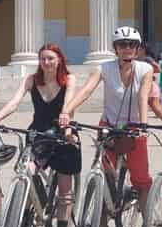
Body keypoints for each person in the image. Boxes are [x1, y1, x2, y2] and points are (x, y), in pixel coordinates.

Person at [0, 44, 81, 227]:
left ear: (59, 61)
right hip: (38, 133)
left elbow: (68, 106)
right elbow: (14, 103)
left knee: (65, 186)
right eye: (43, 59)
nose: (46, 62)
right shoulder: (31, 80)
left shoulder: (69, 80)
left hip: (62, 132)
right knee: (28, 171)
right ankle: (24, 216)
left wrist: (66, 125)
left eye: (51, 58)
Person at [62, 26, 154, 211]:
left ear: (137, 48)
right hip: (109, 125)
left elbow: (143, 96)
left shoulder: (146, 69)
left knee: (140, 177)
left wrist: (143, 126)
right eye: (122, 44)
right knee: (104, 172)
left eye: (131, 44)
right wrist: (67, 110)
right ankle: (101, 222)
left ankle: (147, 224)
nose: (126, 48)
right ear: (116, 48)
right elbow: (86, 90)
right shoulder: (104, 68)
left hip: (135, 127)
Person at [136, 40, 162, 122]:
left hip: (150, 87)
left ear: (143, 49)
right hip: (140, 86)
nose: (136, 50)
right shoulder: (136, 59)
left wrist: (149, 73)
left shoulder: (147, 59)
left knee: (157, 111)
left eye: (138, 48)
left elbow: (159, 69)